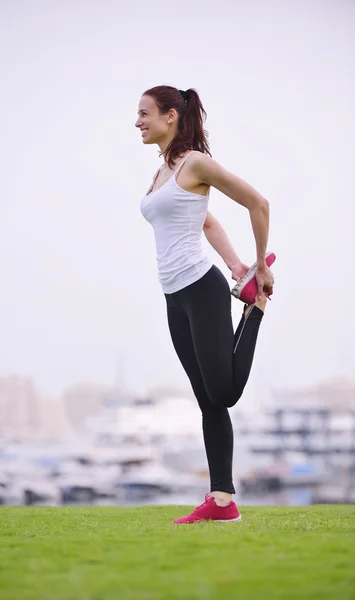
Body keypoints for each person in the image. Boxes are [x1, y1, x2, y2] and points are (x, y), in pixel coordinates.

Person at [136, 86, 275, 524]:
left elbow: (258, 202)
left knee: (224, 393)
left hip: (202, 289)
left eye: (144, 113)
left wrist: (258, 265)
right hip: (174, 296)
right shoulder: (164, 170)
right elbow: (207, 220)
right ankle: (221, 501)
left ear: (171, 116)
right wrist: (236, 264)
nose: (137, 122)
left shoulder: (195, 161)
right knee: (207, 401)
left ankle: (256, 310)